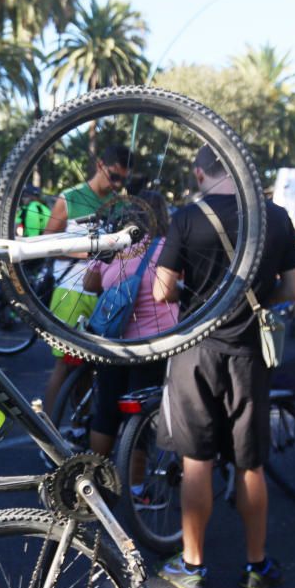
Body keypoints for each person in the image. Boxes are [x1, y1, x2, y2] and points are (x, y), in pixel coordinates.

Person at [152, 145, 295, 588]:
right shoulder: (275, 217)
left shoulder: (187, 216)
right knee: (250, 462)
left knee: (196, 460)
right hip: (249, 354)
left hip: (195, 351)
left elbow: (163, 290)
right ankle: (257, 565)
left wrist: (193, 294)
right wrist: (258, 303)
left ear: (201, 172)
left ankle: (193, 567)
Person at [83, 191, 177, 460]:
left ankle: (96, 477)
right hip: (152, 344)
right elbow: (171, 288)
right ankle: (137, 489)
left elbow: (89, 284)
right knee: (142, 416)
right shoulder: (166, 247)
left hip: (112, 340)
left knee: (106, 411)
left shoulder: (113, 246)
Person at [40, 144, 131, 417]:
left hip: (104, 295)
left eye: (123, 179)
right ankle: (48, 429)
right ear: (101, 165)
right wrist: (86, 251)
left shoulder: (121, 203)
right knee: (65, 365)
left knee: (90, 369)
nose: (118, 183)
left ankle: (80, 427)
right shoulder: (70, 198)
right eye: (114, 176)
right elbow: (45, 242)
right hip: (71, 289)